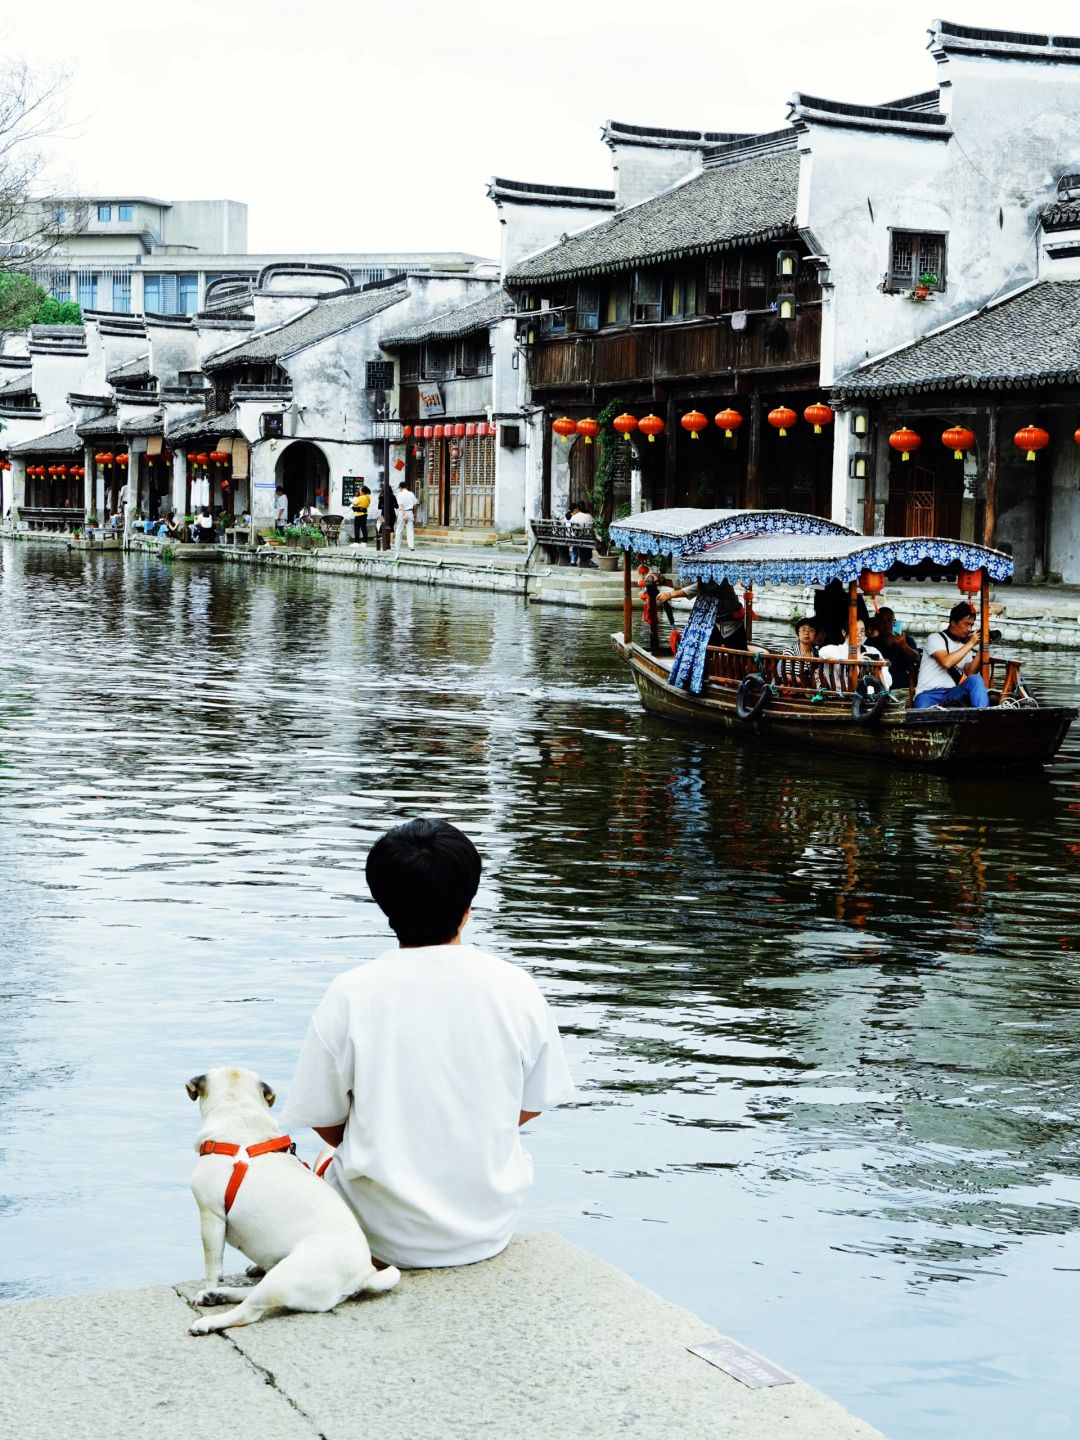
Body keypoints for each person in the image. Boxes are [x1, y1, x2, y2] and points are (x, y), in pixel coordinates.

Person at [281, 818, 574, 1270]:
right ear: (469, 903)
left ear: (383, 903)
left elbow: (323, 1120)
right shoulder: (516, 987)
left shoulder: (351, 993)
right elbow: (535, 1101)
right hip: (487, 1230)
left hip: (381, 1235)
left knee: (323, 1158)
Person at [912, 601, 990, 710]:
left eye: (971, 625)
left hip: (952, 693)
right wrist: (971, 643)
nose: (969, 629)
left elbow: (970, 672)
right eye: (966, 624)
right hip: (928, 694)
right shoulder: (934, 638)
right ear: (953, 622)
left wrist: (981, 648)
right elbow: (946, 662)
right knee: (920, 717)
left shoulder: (964, 646)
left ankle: (984, 716)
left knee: (976, 679)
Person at [655, 578, 748, 650]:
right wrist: (663, 581)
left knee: (739, 653)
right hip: (713, 623)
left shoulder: (720, 581)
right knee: (705, 649)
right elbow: (687, 585)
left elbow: (699, 587)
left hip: (733, 625)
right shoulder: (704, 581)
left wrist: (670, 594)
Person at [819, 618, 892, 692]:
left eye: (862, 631)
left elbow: (887, 679)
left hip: (872, 697)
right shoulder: (836, 650)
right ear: (844, 632)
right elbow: (822, 652)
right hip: (844, 696)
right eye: (855, 630)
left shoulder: (872, 650)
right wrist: (854, 659)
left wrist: (880, 670)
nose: (859, 634)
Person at [868, 608, 920, 691]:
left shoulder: (905, 639)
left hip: (904, 687)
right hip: (880, 689)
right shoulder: (871, 642)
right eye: (882, 622)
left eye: (890, 621)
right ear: (877, 623)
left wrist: (904, 646)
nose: (887, 625)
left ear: (894, 622)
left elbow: (917, 658)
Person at [777, 615, 821, 684]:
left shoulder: (818, 654)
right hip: (793, 690)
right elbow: (786, 675)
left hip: (813, 691)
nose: (806, 633)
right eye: (803, 630)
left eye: (811, 630)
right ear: (798, 634)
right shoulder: (789, 652)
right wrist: (804, 682)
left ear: (815, 635)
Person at [395, 479, 418, 551]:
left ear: (401, 487)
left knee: (399, 529)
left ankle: (397, 546)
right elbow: (415, 505)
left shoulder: (400, 494)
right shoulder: (411, 494)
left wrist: (404, 514)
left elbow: (401, 506)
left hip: (402, 512)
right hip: (410, 512)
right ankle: (411, 546)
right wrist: (415, 514)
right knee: (410, 530)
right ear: (406, 486)